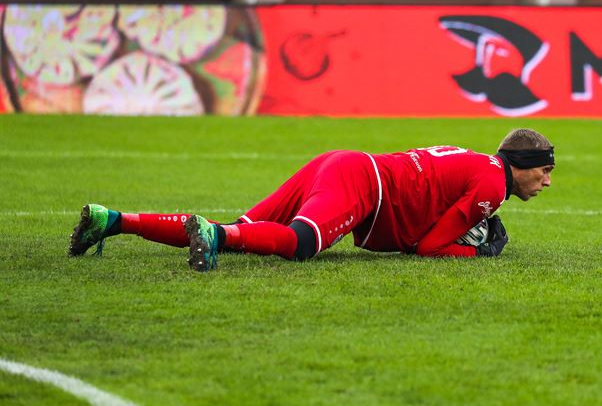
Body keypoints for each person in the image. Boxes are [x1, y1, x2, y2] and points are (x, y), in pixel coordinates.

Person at [68, 128, 555, 271]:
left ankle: (114, 220)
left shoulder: (479, 164)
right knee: (301, 243)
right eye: (545, 170)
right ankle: (215, 236)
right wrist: (477, 253)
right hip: (363, 182)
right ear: (522, 163)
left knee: (247, 230)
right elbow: (428, 247)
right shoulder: (494, 185)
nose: (547, 182)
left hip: (342, 163)